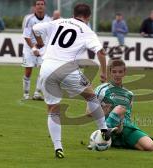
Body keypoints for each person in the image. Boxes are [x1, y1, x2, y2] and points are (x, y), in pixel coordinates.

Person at [32, 3, 115, 158]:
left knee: (52, 110)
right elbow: (101, 52)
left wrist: (41, 43)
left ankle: (58, 148)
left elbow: (35, 29)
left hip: (47, 68)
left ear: (74, 13)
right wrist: (103, 73)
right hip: (67, 69)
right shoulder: (87, 31)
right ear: (88, 17)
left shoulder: (58, 22)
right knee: (90, 95)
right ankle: (104, 130)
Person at [92, 59, 153, 151]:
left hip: (126, 127)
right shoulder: (102, 89)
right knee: (120, 109)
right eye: (114, 72)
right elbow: (89, 112)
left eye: (120, 72)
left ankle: (119, 141)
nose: (117, 75)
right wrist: (102, 111)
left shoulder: (129, 94)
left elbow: (128, 116)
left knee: (151, 147)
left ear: (124, 73)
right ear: (110, 72)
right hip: (109, 126)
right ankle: (105, 133)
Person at [22, 0, 51, 100]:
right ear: (35, 7)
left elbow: (49, 35)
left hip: (42, 48)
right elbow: (26, 36)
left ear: (45, 6)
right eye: (38, 4)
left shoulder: (48, 20)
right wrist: (33, 48)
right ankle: (26, 94)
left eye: (42, 4)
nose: (40, 6)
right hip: (29, 48)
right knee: (28, 71)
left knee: (42, 71)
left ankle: (37, 93)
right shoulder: (29, 19)